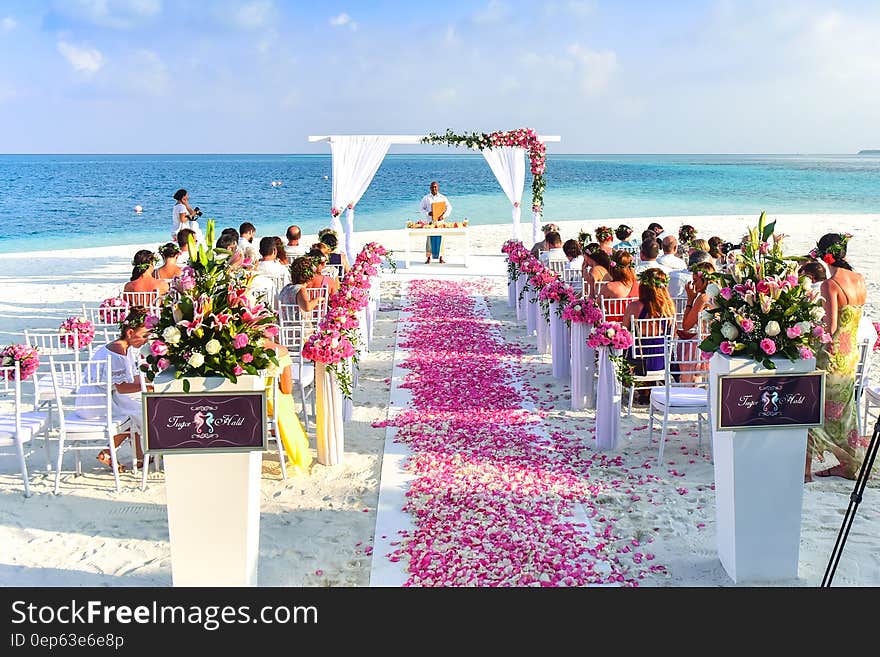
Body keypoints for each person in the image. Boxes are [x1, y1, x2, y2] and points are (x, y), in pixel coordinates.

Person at [806, 233, 868, 482]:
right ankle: (847, 463)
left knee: (814, 407)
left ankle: (806, 471)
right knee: (844, 411)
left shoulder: (830, 285)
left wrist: (809, 327)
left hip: (831, 358)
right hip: (850, 354)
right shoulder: (860, 280)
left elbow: (829, 328)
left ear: (824, 256)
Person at [83, 307, 151, 472]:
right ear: (130, 333)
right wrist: (149, 385)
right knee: (135, 413)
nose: (146, 341)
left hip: (107, 394)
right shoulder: (118, 352)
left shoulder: (122, 347)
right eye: (144, 336)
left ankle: (139, 456)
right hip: (97, 401)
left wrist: (149, 378)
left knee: (137, 408)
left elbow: (126, 380)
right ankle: (108, 452)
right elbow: (123, 387)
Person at [622, 268, 676, 404]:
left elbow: (624, 331)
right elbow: (672, 336)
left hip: (639, 363)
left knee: (629, 348)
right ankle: (648, 390)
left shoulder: (634, 307)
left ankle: (643, 390)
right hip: (661, 361)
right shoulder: (669, 308)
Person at [263, 339, 312, 474]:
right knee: (285, 400)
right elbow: (287, 388)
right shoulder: (280, 351)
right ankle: (279, 432)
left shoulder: (228, 347)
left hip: (238, 403)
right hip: (267, 402)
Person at [677, 261, 716, 382]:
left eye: (695, 280)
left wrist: (690, 300)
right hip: (716, 342)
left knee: (684, 345)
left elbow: (686, 325)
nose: (693, 284)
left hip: (704, 345)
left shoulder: (703, 298)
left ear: (704, 280)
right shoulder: (716, 293)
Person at [278, 256, 324, 321]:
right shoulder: (301, 290)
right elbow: (307, 307)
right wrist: (317, 300)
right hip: (300, 327)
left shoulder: (286, 288)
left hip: (286, 325)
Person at [419, 181, 452, 264]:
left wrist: (443, 216)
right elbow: (421, 209)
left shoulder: (442, 197)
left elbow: (449, 208)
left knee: (441, 239)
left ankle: (441, 257)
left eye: (435, 187)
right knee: (429, 240)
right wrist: (428, 213)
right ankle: (428, 258)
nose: (434, 188)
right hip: (430, 222)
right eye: (432, 187)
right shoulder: (426, 198)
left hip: (440, 222)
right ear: (430, 188)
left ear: (438, 188)